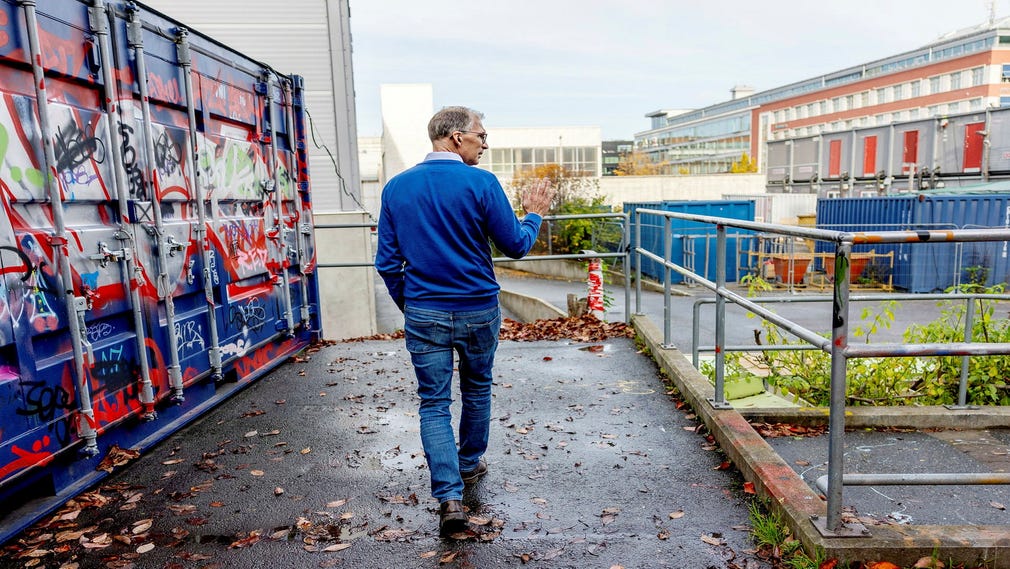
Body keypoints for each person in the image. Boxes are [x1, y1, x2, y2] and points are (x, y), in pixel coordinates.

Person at [374, 106, 554, 536]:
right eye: (481, 135)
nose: (485, 143)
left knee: (433, 403)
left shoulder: (396, 188)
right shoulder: (481, 183)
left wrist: (414, 306)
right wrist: (533, 215)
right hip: (478, 310)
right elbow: (515, 247)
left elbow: (386, 262)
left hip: (425, 311)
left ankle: (450, 500)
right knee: (476, 390)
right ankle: (469, 465)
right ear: (456, 137)